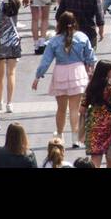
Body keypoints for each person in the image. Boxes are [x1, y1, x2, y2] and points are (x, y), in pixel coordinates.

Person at [33, 11, 97, 145]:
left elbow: (46, 61)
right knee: (75, 108)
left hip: (60, 72)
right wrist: (91, 71)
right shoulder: (82, 37)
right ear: (74, 23)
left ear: (59, 24)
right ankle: (75, 138)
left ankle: (60, 136)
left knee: (61, 109)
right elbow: (91, 57)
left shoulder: (54, 41)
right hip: (78, 72)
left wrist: (38, 77)